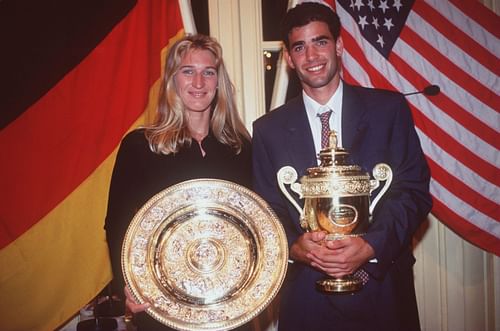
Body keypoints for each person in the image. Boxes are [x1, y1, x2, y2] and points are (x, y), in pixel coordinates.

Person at [252, 2, 432, 331]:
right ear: (290, 59)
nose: (312, 56)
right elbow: (267, 209)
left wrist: (371, 245)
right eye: (300, 47)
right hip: (307, 298)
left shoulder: (388, 110)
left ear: (339, 46)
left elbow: (413, 192)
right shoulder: (268, 130)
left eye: (320, 42)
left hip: (382, 289)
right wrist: (295, 246)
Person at [104, 34, 252, 331]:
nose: (198, 82)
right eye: (188, 71)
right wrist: (128, 286)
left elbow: (255, 224)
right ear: (173, 80)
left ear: (218, 82)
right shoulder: (140, 146)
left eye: (208, 72)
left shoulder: (241, 148)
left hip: (228, 306)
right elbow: (117, 224)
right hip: (163, 304)